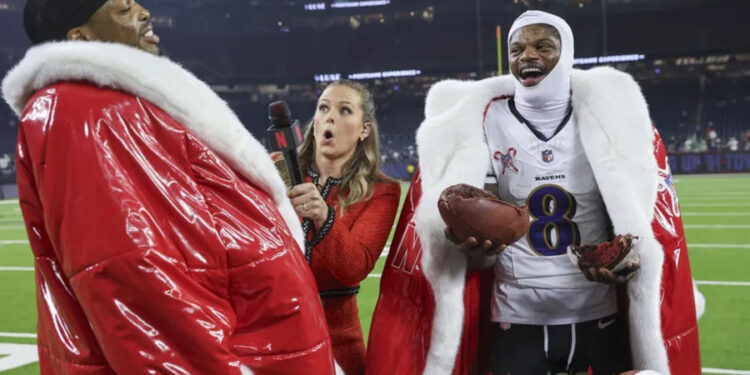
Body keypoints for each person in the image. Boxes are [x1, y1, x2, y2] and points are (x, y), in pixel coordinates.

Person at [2, 0, 337, 373]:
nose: (143, 12)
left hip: (257, 348)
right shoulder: (84, 110)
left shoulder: (118, 105)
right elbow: (136, 279)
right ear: (80, 35)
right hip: (236, 356)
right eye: (122, 9)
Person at [367, 10, 703, 375]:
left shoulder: (607, 118)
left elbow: (634, 219)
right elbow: (484, 231)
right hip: (516, 316)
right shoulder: (484, 120)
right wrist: (475, 253)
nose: (527, 55)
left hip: (598, 315)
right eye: (517, 48)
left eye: (543, 45)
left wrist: (625, 262)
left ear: (568, 53)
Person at [274, 79, 401, 375]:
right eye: (323, 108)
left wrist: (323, 214)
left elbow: (354, 266)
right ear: (315, 121)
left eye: (345, 110)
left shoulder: (381, 190)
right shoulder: (273, 170)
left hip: (338, 347)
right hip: (273, 340)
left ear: (364, 129)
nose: (330, 116)